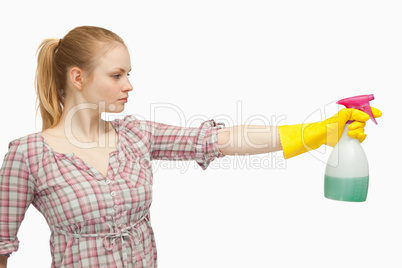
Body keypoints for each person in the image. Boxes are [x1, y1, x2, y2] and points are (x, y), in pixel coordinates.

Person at [0, 26, 381, 268]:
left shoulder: (136, 134)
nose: (129, 85)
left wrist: (316, 131)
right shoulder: (28, 155)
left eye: (129, 74)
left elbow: (222, 140)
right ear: (77, 77)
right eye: (116, 75)